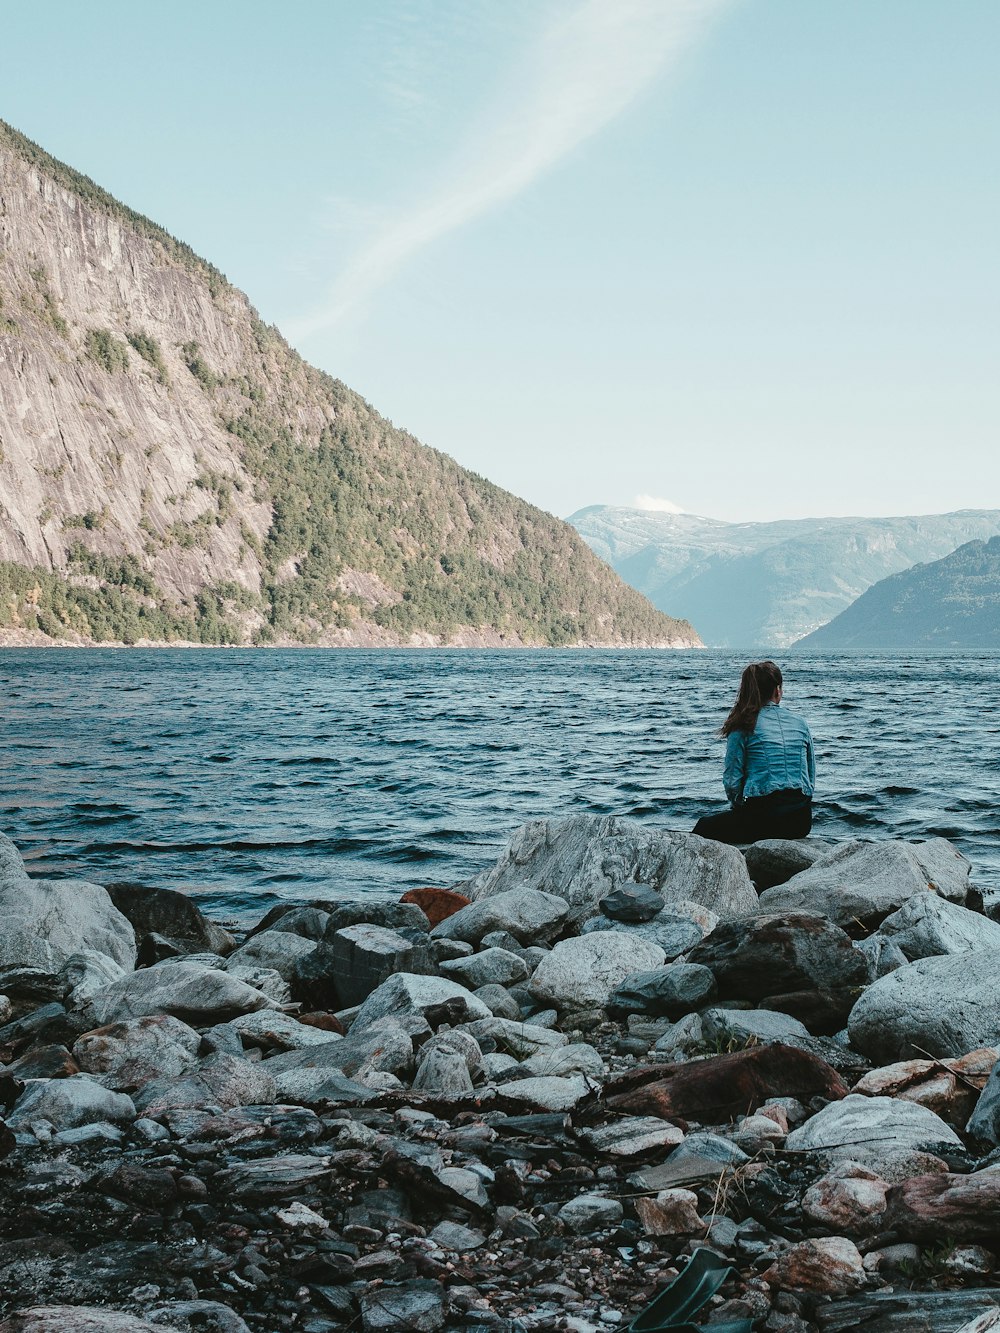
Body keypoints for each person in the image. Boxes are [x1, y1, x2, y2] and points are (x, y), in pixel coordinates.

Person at [692, 660, 815, 845]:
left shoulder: (743, 725)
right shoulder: (800, 723)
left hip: (764, 820)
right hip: (801, 821)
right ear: (777, 690)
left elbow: (732, 781)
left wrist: (739, 807)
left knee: (703, 827)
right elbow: (810, 777)